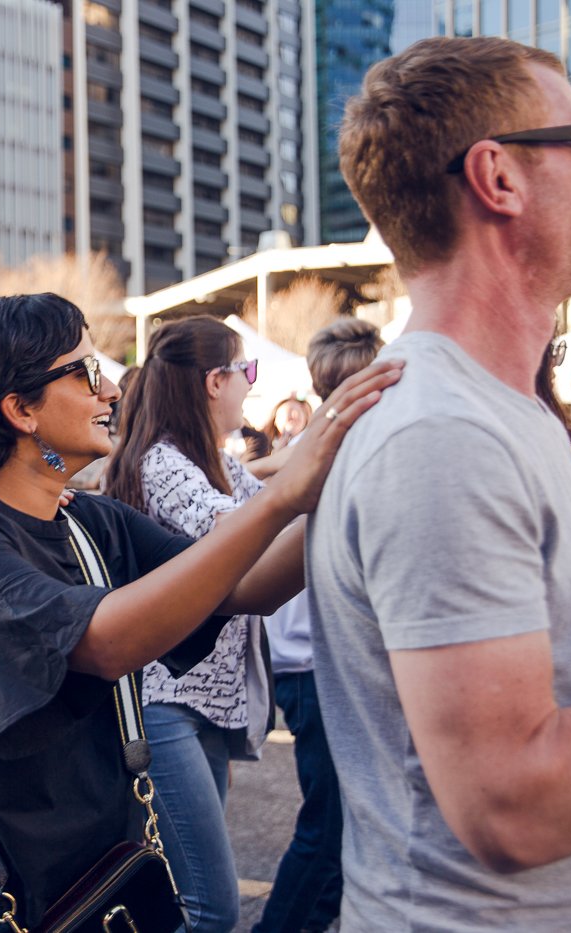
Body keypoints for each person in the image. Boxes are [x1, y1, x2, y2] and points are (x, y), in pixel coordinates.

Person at [0, 293, 397, 930]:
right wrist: (280, 497)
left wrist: (352, 471)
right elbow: (101, 643)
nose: (113, 391)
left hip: (90, 876)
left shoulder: (90, 520)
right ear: (20, 410)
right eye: (88, 373)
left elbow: (247, 585)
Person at [308, 35, 571, 929]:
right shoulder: (441, 435)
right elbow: (511, 796)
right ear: (499, 177)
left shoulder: (500, 411)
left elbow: (548, 664)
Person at [101, 316, 268, 932]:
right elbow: (241, 531)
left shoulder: (212, 462)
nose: (252, 386)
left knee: (189, 898)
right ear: (213, 381)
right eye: (247, 372)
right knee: (210, 906)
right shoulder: (162, 463)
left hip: (201, 701)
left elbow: (265, 502)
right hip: (164, 700)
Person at [251, 317, 384, 933]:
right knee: (328, 827)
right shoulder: (330, 457)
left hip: (314, 662)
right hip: (314, 665)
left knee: (338, 824)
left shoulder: (313, 454)